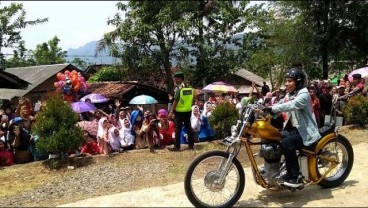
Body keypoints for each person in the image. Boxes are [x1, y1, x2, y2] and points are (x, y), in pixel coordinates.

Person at [261, 68, 321, 188]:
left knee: (287, 143)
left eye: (290, 81)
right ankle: (271, 167)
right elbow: (281, 104)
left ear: (298, 82)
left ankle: (295, 176)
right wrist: (264, 108)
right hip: (293, 131)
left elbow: (292, 105)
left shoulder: (304, 94)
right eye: (286, 81)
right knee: (269, 136)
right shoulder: (290, 94)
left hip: (306, 133)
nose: (287, 84)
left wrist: (272, 109)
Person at [168, 72, 194, 151]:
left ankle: (177, 147)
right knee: (188, 128)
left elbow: (176, 100)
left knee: (177, 129)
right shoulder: (190, 87)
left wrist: (171, 111)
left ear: (181, 79)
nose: (175, 80)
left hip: (179, 111)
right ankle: (191, 145)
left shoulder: (179, 88)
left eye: (176, 78)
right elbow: (192, 97)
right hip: (188, 110)